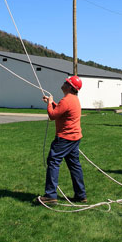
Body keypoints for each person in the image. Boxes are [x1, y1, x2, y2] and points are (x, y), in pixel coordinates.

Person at [38, 76, 86, 205]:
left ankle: (50, 196)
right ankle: (81, 195)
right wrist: (52, 103)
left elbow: (53, 115)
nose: (63, 83)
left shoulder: (66, 100)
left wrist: (49, 104)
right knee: (74, 166)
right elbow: (61, 110)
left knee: (53, 162)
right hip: (75, 138)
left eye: (66, 82)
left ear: (70, 87)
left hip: (64, 138)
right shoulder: (73, 99)